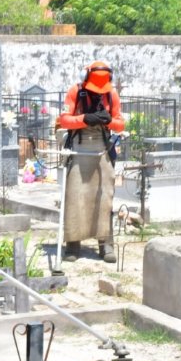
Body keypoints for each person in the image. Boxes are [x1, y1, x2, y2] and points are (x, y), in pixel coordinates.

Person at [55, 60, 125, 263]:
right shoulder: (75, 92)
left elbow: (120, 124)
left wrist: (107, 121)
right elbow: (64, 119)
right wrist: (85, 119)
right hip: (79, 149)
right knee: (75, 197)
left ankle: (106, 244)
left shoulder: (111, 95)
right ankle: (73, 244)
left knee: (104, 198)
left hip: (102, 150)